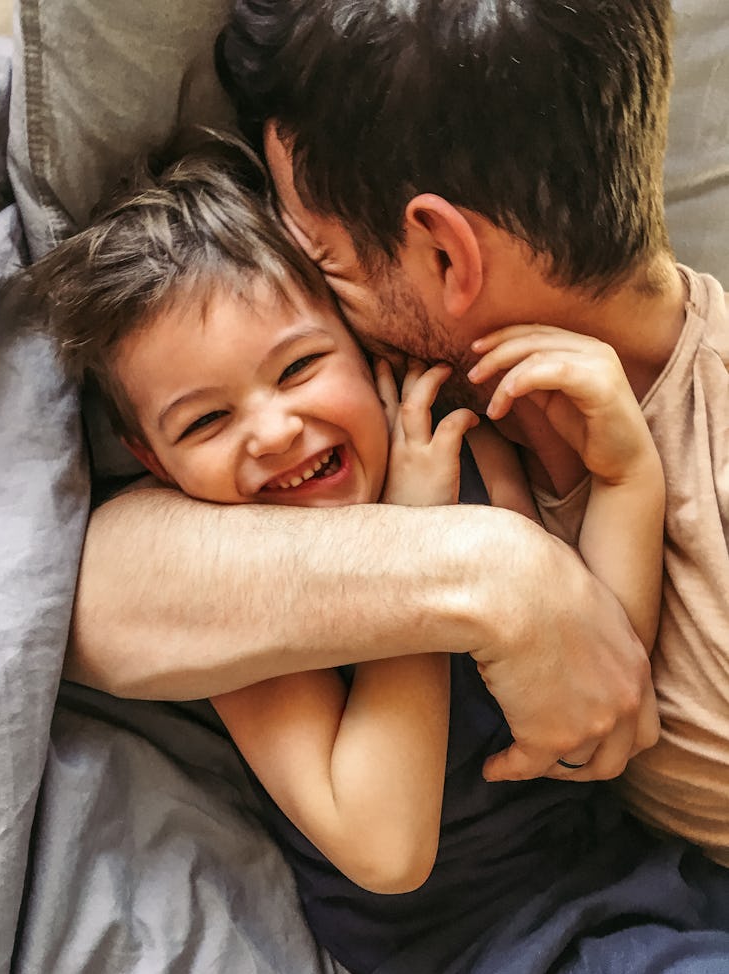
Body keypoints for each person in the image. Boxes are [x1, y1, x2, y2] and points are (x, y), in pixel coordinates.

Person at [28, 139, 728, 974]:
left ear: (360, 346)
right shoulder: (241, 609)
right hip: (486, 954)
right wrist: (420, 543)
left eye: (298, 368)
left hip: (647, 882)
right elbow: (387, 848)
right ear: (151, 458)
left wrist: (626, 474)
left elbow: (608, 697)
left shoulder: (454, 447)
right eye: (206, 422)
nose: (275, 429)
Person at [213, 0, 729, 871]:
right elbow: (92, 574)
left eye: (324, 263)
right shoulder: (394, 393)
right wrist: (494, 577)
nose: (306, 306)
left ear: (448, 256)